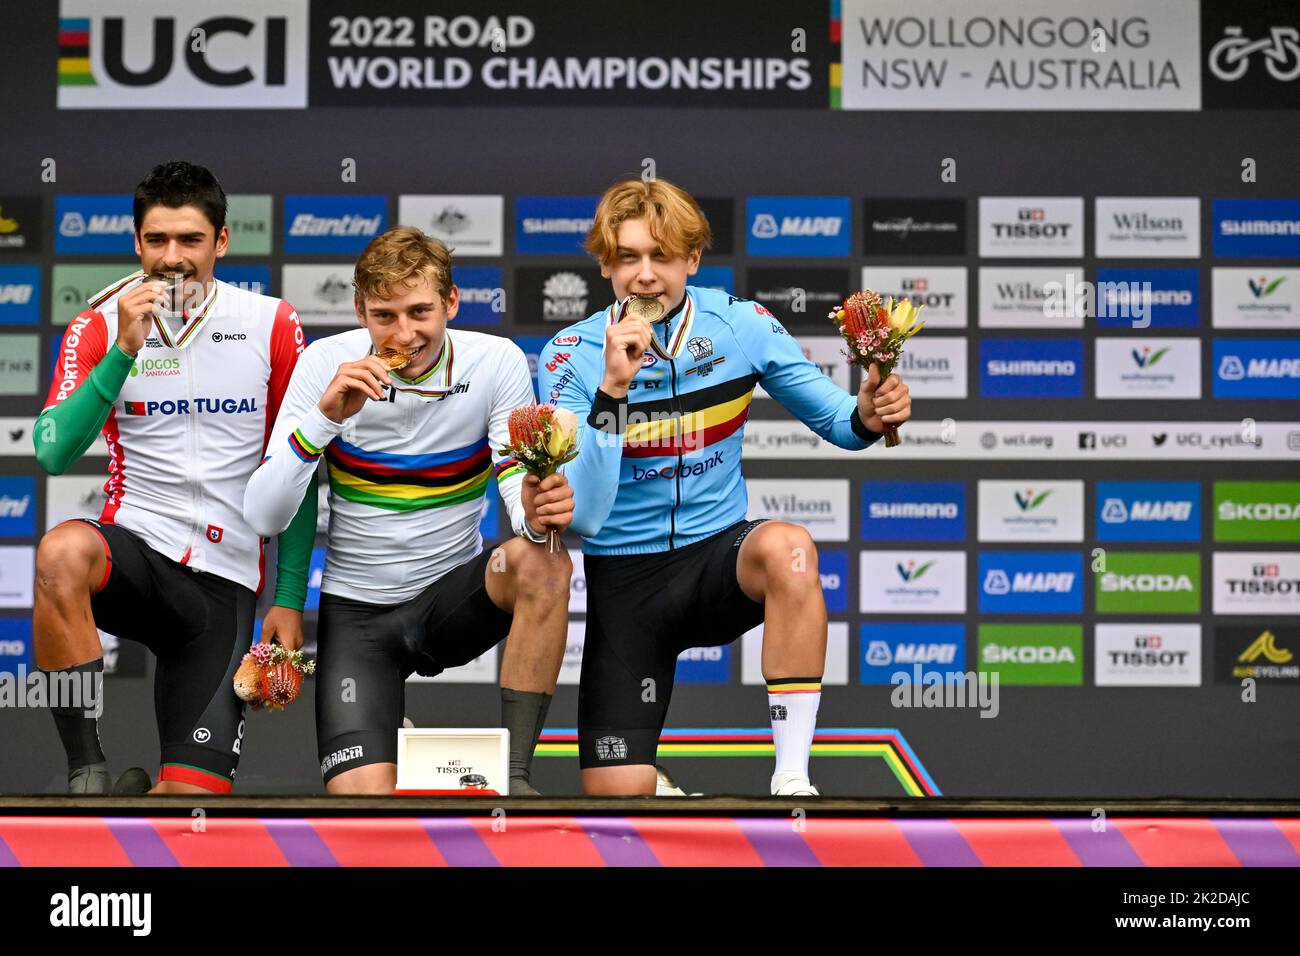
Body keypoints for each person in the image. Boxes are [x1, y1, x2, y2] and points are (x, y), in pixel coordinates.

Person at [537, 179, 912, 797]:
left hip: (717, 563)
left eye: (662, 257)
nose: (646, 276)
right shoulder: (569, 356)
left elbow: (841, 423)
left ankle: (792, 777)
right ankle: (657, 788)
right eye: (628, 258)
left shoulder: (741, 324)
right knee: (616, 799)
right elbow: (589, 514)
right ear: (605, 264)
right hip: (626, 587)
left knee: (790, 548)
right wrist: (613, 391)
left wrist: (870, 413)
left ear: (692, 260)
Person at [244, 227, 573, 796]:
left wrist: (532, 512)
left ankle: (515, 779)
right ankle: (394, 745)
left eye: (420, 311)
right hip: (360, 617)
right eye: (384, 316)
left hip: (451, 602)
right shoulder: (326, 363)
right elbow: (265, 515)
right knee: (362, 808)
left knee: (544, 560)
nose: (405, 334)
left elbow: (514, 479)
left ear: (451, 302)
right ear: (359, 311)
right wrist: (323, 421)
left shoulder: (494, 362)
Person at [32, 161, 314, 795]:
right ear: (136, 243)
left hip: (224, 585)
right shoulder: (100, 323)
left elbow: (296, 464)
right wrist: (124, 349)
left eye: (190, 240)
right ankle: (87, 772)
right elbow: (51, 453)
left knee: (192, 806)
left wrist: (290, 598)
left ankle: (138, 802)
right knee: (60, 552)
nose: (172, 258)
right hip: (138, 553)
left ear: (221, 241)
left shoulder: (271, 322)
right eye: (156, 240)